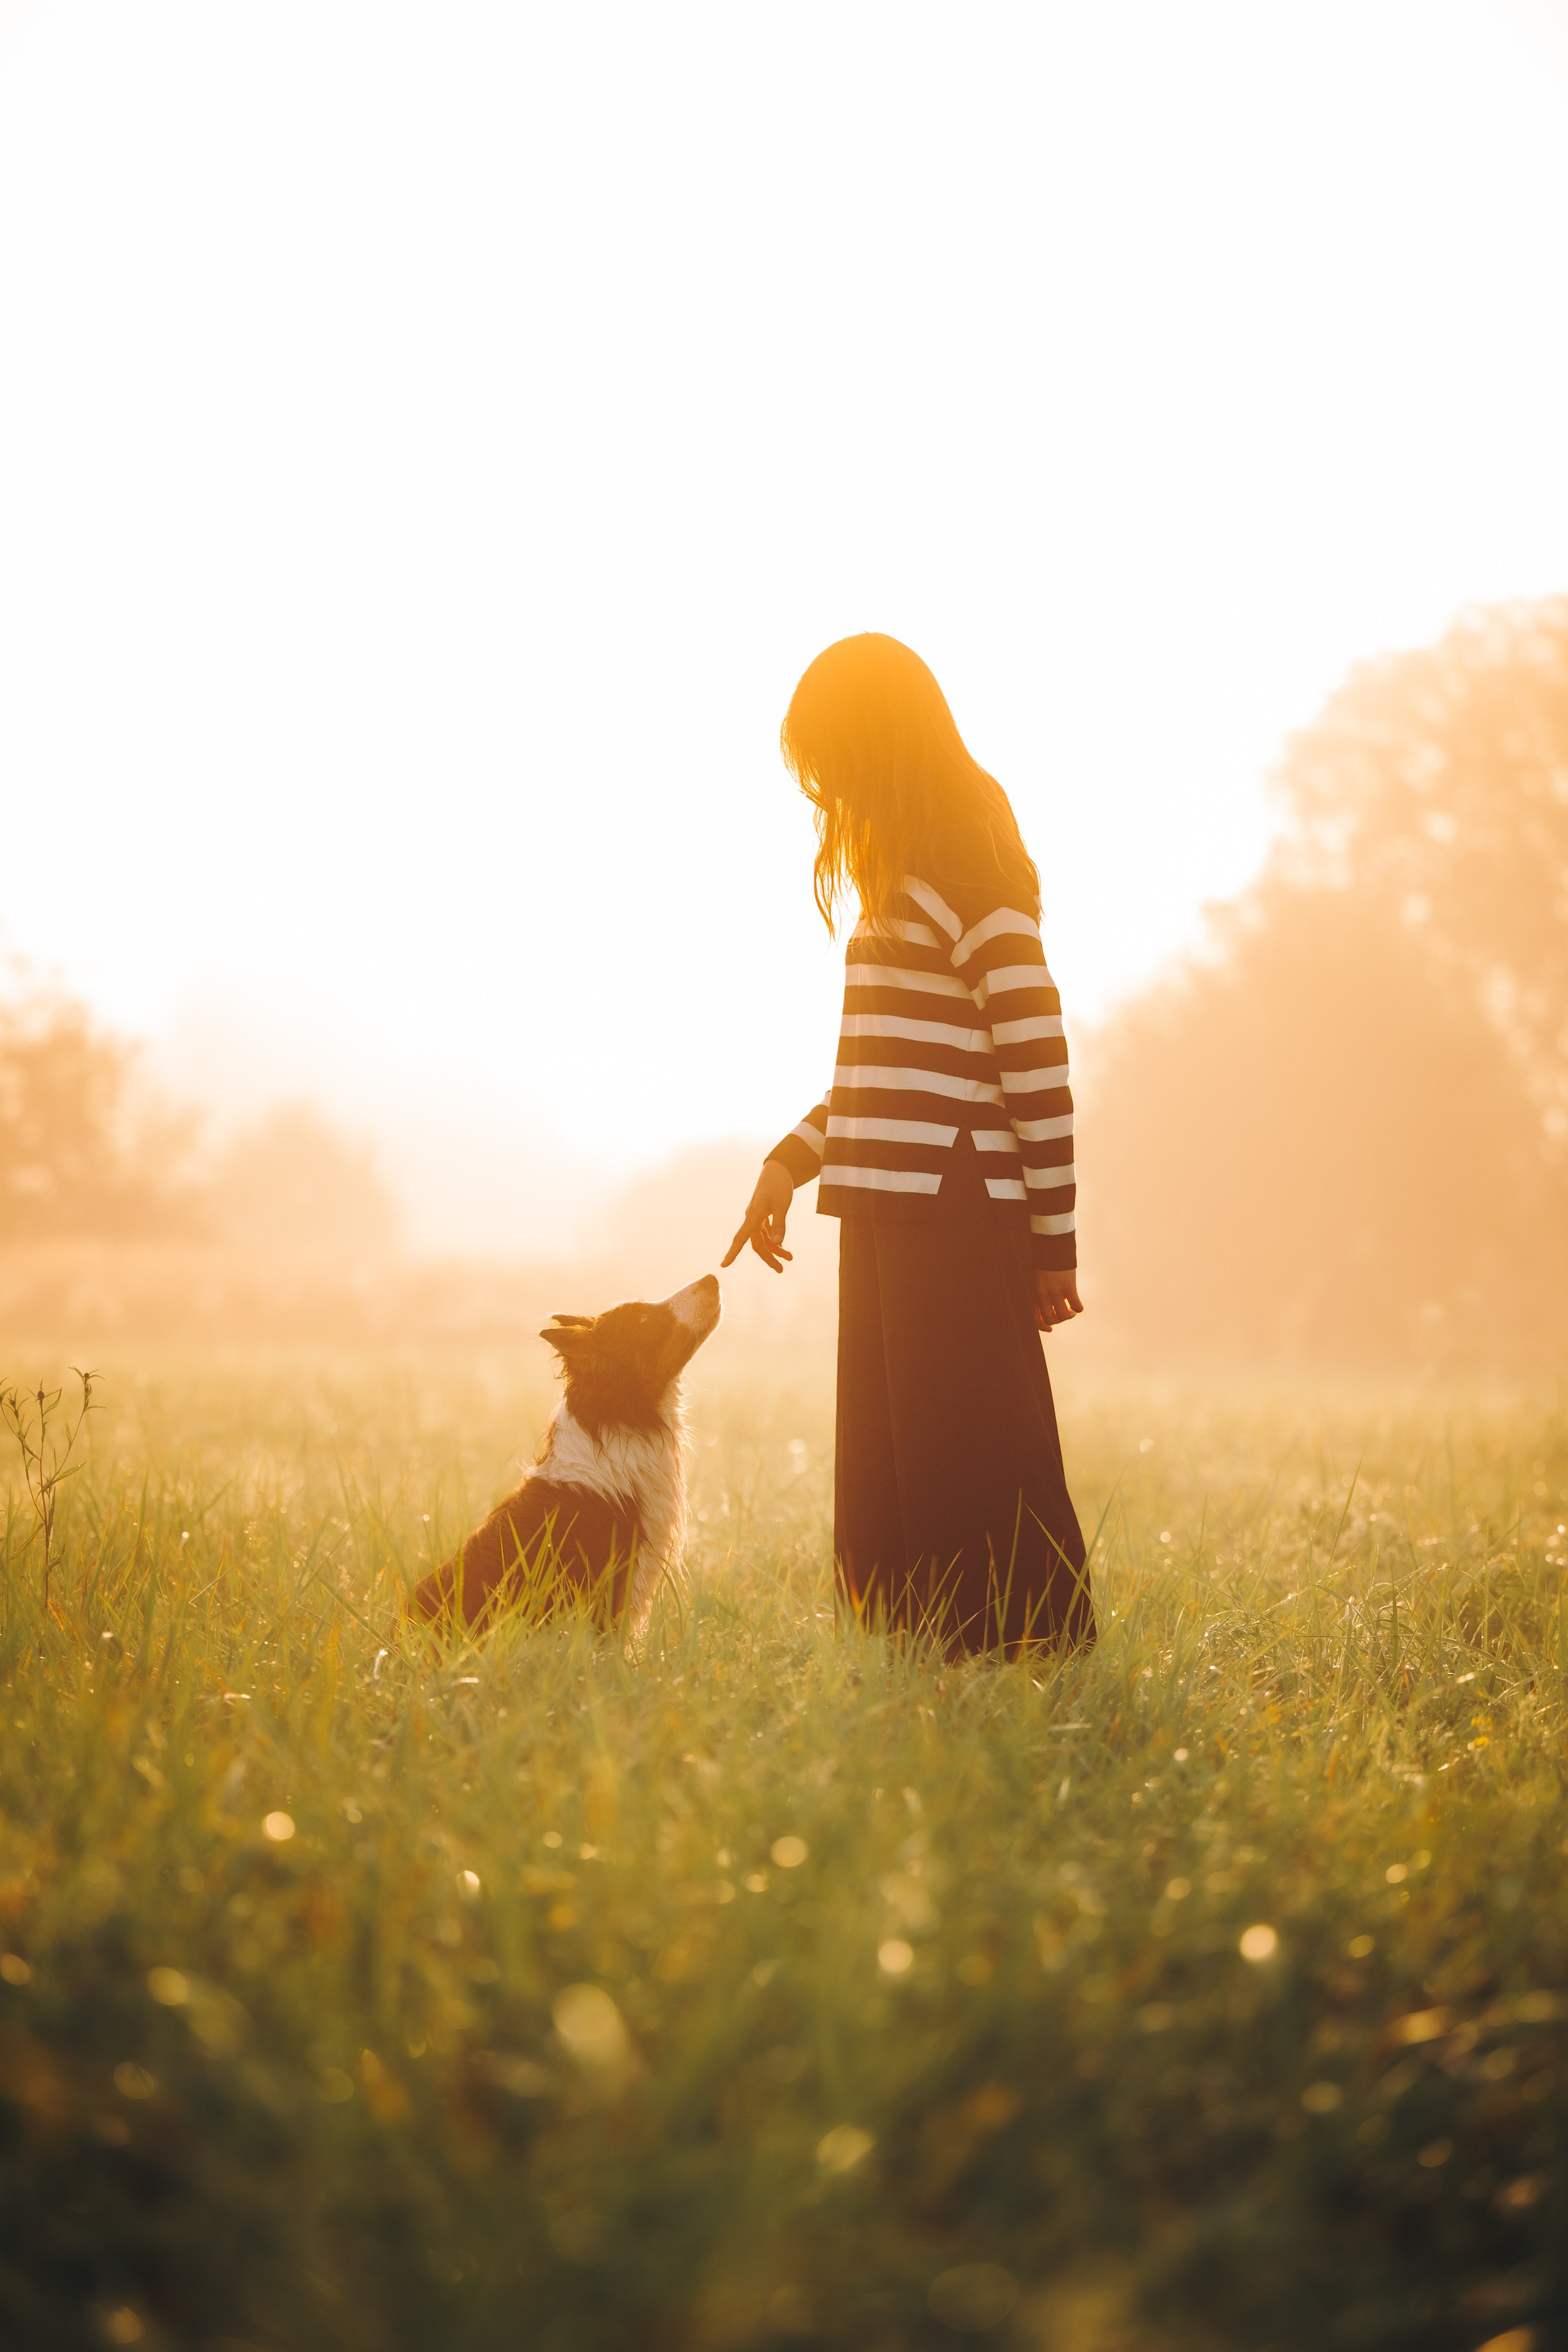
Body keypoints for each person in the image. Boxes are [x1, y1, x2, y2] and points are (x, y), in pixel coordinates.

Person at [723, 633, 1094, 1655]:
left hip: (959, 1204)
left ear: (875, 742)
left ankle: (1025, 1668)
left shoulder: (968, 857)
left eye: (830, 759)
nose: (824, 788)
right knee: (891, 1462)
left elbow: (1034, 1058)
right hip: (886, 1204)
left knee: (971, 1453)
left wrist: (1052, 1241)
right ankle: (904, 1665)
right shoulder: (896, 874)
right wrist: (791, 1160)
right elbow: (882, 1072)